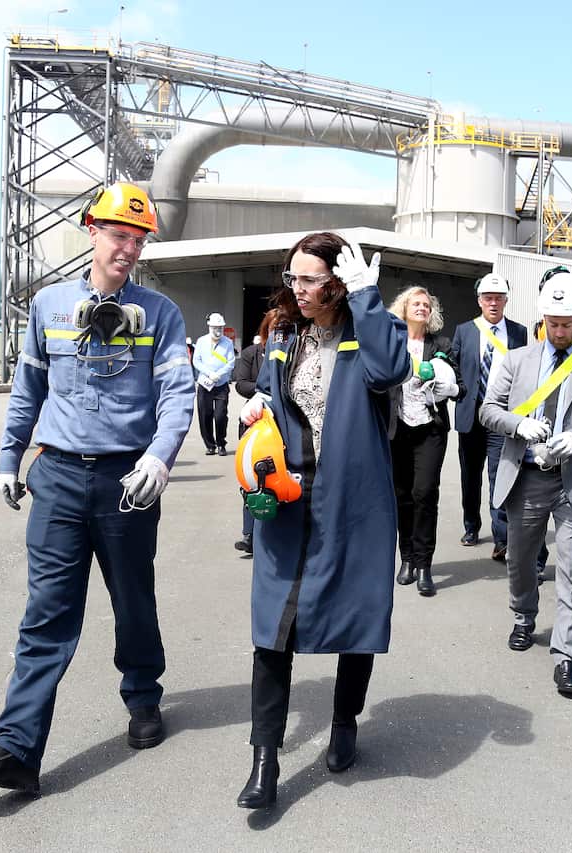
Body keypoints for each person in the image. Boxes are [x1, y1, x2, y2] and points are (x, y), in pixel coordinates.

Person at [0, 182, 194, 793]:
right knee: (46, 615)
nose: (129, 250)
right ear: (92, 231)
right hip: (57, 475)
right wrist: (8, 458)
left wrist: (160, 458)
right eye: (119, 236)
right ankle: (16, 750)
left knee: (133, 600)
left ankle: (142, 697)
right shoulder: (51, 306)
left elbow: (176, 394)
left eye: (139, 241)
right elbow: (29, 387)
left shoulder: (160, 315)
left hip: (125, 481)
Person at [233, 232, 409, 808]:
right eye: (293, 278)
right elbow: (268, 389)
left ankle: (344, 723)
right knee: (272, 632)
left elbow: (389, 372)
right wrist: (256, 405)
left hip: (354, 504)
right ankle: (265, 761)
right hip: (287, 500)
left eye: (310, 279)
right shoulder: (285, 332)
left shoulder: (368, 330)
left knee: (355, 620)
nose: (298, 289)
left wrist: (369, 297)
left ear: (339, 282)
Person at [480, 270, 572, 698]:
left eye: (567, 323)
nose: (559, 331)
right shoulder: (516, 361)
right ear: (542, 318)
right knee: (522, 560)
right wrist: (519, 424)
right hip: (527, 478)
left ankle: (566, 656)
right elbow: (488, 410)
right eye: (553, 323)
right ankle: (524, 615)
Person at [387, 285, 461, 597]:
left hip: (430, 429)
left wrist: (447, 387)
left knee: (425, 493)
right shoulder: (391, 343)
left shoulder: (441, 344)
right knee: (401, 495)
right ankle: (407, 559)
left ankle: (425, 564)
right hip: (396, 429)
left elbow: (462, 386)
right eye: (416, 303)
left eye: (426, 305)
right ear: (403, 309)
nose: (421, 308)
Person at [448, 274, 528, 562]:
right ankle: (471, 526)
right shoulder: (465, 330)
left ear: (506, 300)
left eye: (498, 297)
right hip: (471, 413)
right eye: (488, 297)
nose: (493, 303)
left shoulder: (519, 333)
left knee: (500, 476)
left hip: (502, 415)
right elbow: (454, 366)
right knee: (471, 476)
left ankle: (502, 538)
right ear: (480, 300)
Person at [232, 312, 275, 555]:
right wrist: (264, 392)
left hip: (283, 426)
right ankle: (249, 534)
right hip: (254, 422)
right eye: (274, 328)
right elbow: (241, 383)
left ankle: (271, 533)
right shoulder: (251, 353)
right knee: (252, 479)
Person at [193, 313, 236, 455]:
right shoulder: (201, 341)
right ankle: (210, 445)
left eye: (220, 328)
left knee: (220, 415)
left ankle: (221, 444)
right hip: (205, 384)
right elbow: (196, 361)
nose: (218, 331)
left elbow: (230, 362)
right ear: (209, 327)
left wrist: (219, 374)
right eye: (215, 328)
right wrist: (208, 373)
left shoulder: (228, 343)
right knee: (205, 415)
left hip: (221, 384)